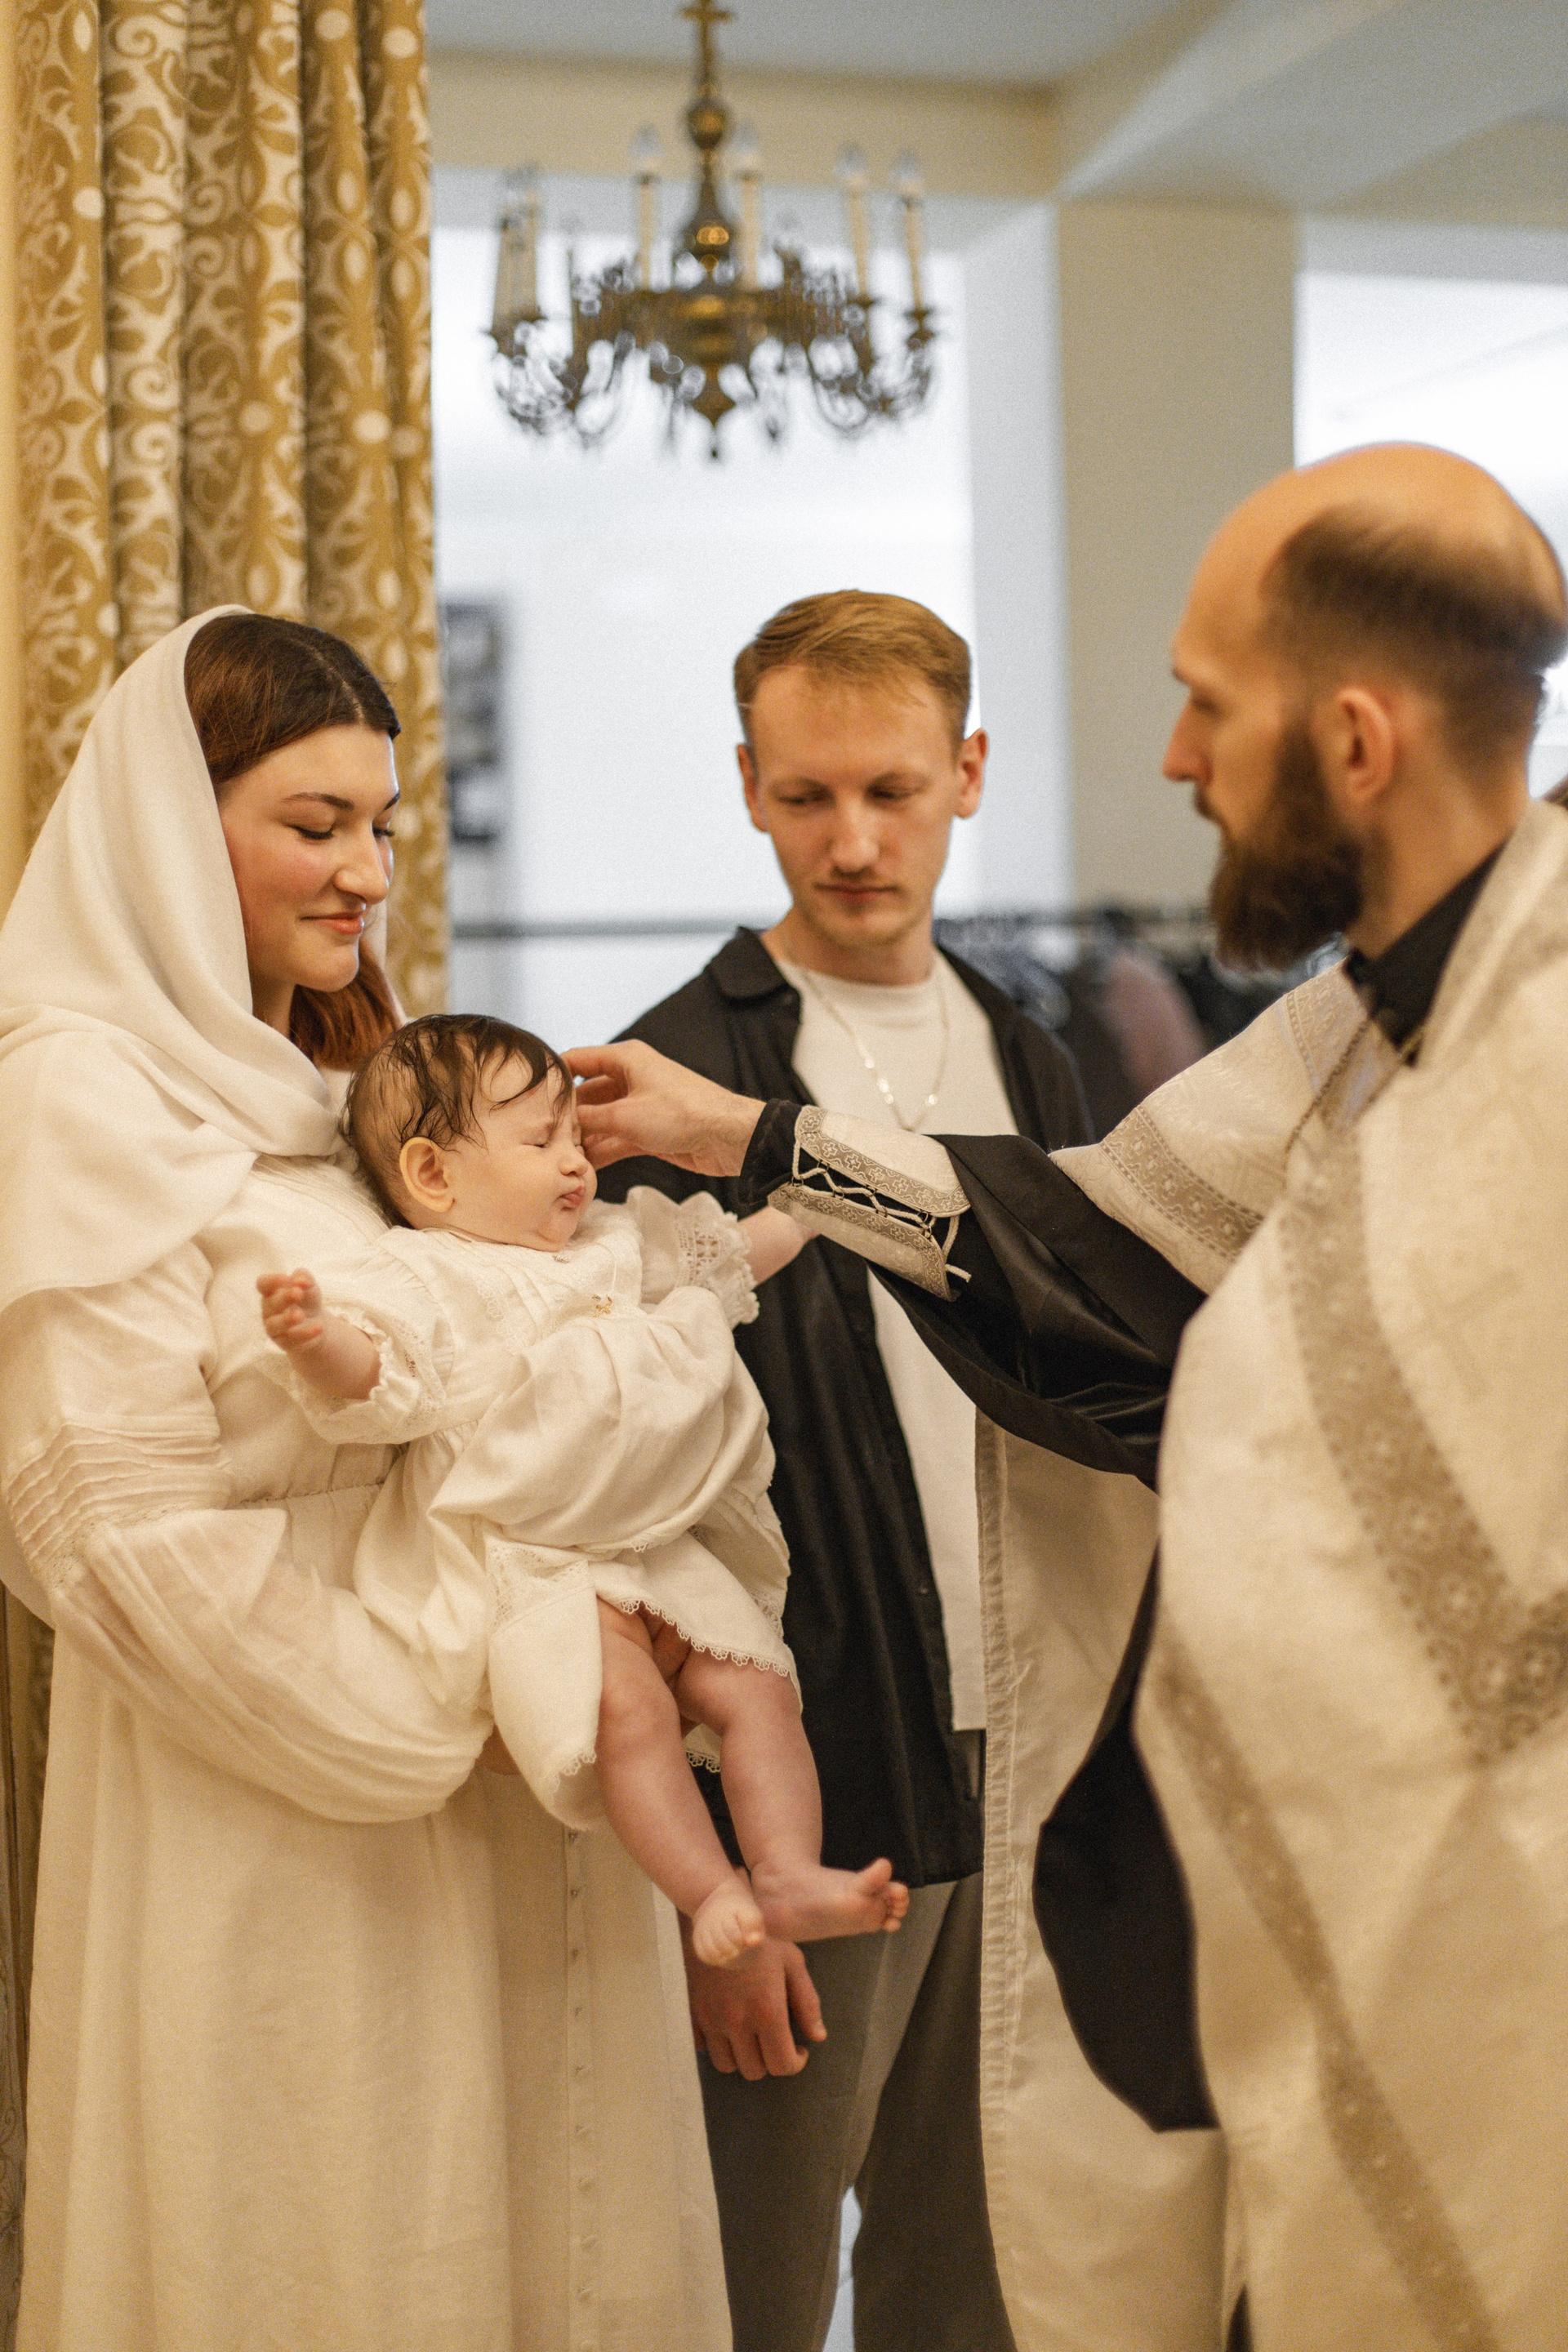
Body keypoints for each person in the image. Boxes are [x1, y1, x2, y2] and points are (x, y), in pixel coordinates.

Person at [568, 444, 1568, 2350]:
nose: (1175, 759)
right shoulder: (1353, 1024)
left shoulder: (1500, 1027)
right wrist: (757, 1137)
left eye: (1205, 702)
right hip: (874, 1753)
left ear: (1353, 741)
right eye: (809, 793)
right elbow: (1093, 1253)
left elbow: (1115, 1301)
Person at [0, 610, 732, 2351]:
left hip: (526, 1765)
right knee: (336, 2243)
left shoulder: (369, 1090)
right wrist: (441, 1706)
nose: (368, 874)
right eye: (313, 824)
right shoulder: (76, 1103)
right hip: (290, 1816)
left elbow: (553, 1362)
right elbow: (112, 1538)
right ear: (174, 831)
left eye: (384, 824)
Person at [595, 591, 1227, 2352]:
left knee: (990, 2268)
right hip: (813, 1747)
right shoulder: (679, 1063)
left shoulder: (1036, 1050)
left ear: (969, 773)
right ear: (748, 786)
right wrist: (725, 1876)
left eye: (891, 791)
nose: (854, 842)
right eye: (807, 797)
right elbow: (630, 1474)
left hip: (1036, 1731)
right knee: (759, 2269)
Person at [258, 1011, 908, 1964]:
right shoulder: (427, 1277)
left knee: (760, 1688)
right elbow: (382, 1379)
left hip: (657, 1541)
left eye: (574, 1134)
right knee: (629, 1714)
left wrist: (816, 1204)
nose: (575, 1162)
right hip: (540, 1559)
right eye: (540, 1141)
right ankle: (709, 1890)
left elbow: (729, 1257)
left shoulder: (612, 1239)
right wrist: (319, 1341)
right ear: (433, 1175)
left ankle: (787, 1870)